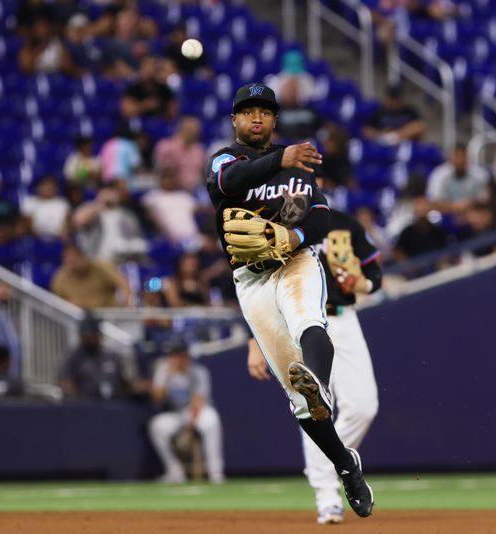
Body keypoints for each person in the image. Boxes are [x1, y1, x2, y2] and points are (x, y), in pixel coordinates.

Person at [204, 83, 374, 518]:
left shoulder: (297, 166)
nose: (256, 117)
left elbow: (320, 215)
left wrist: (294, 235)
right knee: (299, 403)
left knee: (308, 324)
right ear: (235, 121)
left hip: (295, 261)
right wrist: (280, 158)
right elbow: (225, 182)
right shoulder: (227, 159)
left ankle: (316, 383)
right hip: (250, 280)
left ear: (274, 120)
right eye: (248, 111)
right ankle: (344, 463)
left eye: (265, 111)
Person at [247, 208, 382, 524]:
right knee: (313, 404)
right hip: (296, 322)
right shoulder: (276, 223)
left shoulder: (345, 223)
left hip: (342, 318)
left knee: (364, 406)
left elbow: (374, 277)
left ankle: (328, 461)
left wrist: (361, 283)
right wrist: (253, 340)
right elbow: (255, 285)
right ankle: (326, 497)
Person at [148, 339, 225, 483]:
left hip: (197, 412)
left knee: (212, 420)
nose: (176, 358)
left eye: (179, 354)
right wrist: (167, 376)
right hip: (176, 414)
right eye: (173, 355)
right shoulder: (163, 370)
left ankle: (216, 472)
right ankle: (174, 470)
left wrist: (190, 427)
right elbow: (157, 399)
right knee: (156, 426)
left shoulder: (198, 371)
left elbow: (198, 401)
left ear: (186, 355)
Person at [58, 315, 143, 400]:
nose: (91, 339)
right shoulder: (73, 358)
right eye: (88, 336)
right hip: (85, 406)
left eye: (94, 336)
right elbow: (66, 383)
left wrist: (137, 388)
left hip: (114, 405)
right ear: (82, 336)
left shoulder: (112, 356)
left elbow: (127, 382)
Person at [72, 180, 148, 265]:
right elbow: (78, 221)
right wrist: (100, 202)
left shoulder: (128, 215)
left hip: (122, 262)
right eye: (107, 191)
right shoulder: (92, 210)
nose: (110, 194)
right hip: (97, 261)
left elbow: (137, 241)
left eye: (113, 191)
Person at [50, 243, 132, 309]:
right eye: (68, 258)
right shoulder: (60, 277)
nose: (72, 261)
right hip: (76, 322)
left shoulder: (101, 267)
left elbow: (123, 283)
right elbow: (56, 304)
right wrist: (70, 305)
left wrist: (129, 304)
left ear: (84, 256)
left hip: (106, 317)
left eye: (76, 257)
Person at [142, 165, 201, 246]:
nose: (169, 181)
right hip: (169, 240)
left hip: (194, 238)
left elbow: (203, 209)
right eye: (166, 177)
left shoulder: (184, 196)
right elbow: (150, 216)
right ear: (160, 179)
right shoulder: (152, 197)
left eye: (171, 178)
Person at [426, 144, 490, 215]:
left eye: (462, 157)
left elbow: (486, 200)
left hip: (473, 215)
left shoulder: (480, 174)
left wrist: (471, 204)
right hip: (446, 215)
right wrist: (455, 206)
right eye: (456, 157)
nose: (459, 161)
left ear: (468, 158)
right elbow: (433, 202)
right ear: (450, 158)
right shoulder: (439, 174)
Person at [153, 116, 206, 192]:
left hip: (196, 191)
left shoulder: (199, 150)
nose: (194, 134)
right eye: (190, 131)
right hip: (173, 190)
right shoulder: (165, 147)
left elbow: (202, 173)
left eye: (196, 132)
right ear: (182, 129)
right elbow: (163, 172)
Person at [361, 85, 426, 144]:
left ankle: (391, 138)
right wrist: (380, 133)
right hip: (384, 144)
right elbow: (366, 130)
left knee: (418, 126)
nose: (394, 103)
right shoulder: (380, 111)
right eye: (392, 100)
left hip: (405, 144)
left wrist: (396, 134)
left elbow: (420, 126)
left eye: (396, 101)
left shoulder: (409, 111)